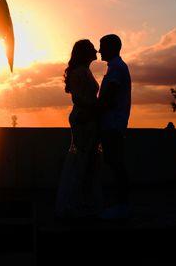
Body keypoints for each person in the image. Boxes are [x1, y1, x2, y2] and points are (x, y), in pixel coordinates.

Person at [55, 39, 102, 218]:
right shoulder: (79, 72)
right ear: (84, 52)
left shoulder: (85, 71)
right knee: (82, 160)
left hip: (88, 118)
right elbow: (78, 98)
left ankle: (81, 201)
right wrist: (97, 108)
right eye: (91, 49)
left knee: (87, 160)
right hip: (83, 119)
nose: (96, 51)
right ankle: (74, 203)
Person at [98, 34, 131, 219]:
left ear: (112, 47)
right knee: (114, 162)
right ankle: (121, 204)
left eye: (102, 46)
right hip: (113, 123)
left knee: (116, 163)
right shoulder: (116, 67)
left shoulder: (117, 69)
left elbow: (108, 99)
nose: (99, 50)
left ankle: (122, 205)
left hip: (113, 124)